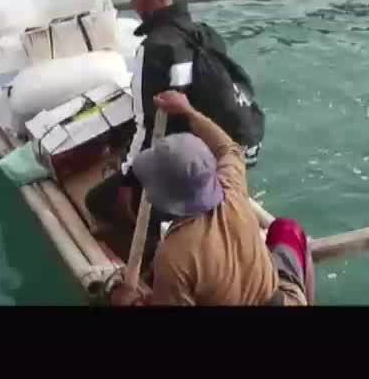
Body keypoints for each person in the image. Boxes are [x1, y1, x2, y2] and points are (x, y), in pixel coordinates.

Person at [85, 0, 262, 268]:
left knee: (96, 201)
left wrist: (128, 179)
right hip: (221, 159)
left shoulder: (154, 49)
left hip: (181, 172)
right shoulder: (205, 34)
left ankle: (154, 259)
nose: (132, 1)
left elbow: (145, 127)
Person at [108, 91, 313, 306]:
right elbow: (228, 148)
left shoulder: (174, 255)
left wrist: (133, 302)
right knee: (287, 230)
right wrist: (189, 111)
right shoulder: (232, 189)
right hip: (280, 302)